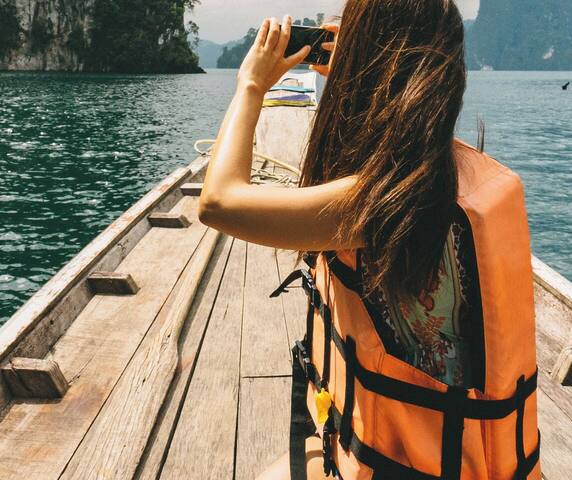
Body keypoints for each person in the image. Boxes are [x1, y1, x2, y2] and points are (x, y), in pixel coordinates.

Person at [196, 1, 541, 478]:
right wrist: (356, 68)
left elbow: (217, 202)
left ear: (372, 61)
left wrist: (251, 85)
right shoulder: (441, 175)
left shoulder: (381, 203)